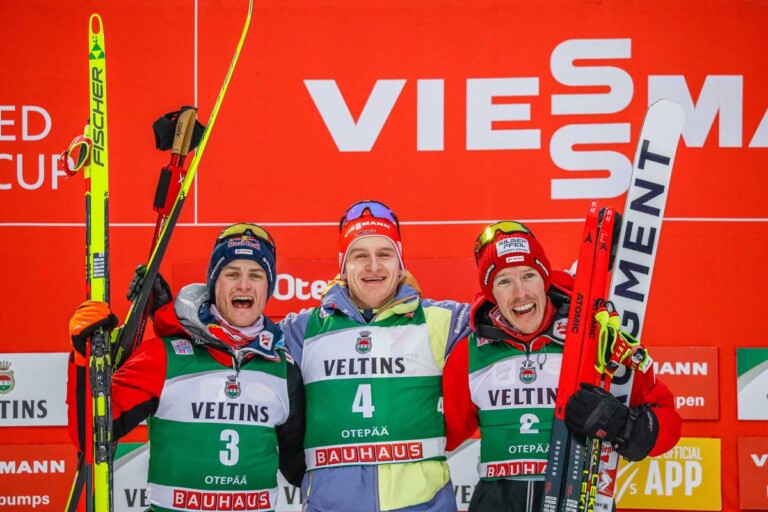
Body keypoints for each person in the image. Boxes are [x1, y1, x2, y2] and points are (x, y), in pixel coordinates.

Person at [442, 220, 682, 512]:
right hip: (498, 502)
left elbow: (667, 421)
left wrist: (622, 425)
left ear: (544, 279)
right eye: (504, 281)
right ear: (491, 292)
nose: (520, 293)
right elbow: (441, 433)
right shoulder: (469, 352)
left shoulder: (594, 337)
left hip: (577, 497)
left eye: (529, 275)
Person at [66, 223, 305, 511]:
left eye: (256, 275)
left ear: (268, 287)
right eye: (231, 274)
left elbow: (303, 469)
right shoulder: (165, 356)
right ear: (214, 284)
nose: (244, 285)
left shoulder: (283, 368)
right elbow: (90, 437)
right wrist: (83, 357)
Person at [280, 200, 472, 512]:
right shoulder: (303, 329)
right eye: (360, 255)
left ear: (400, 264)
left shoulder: (442, 321)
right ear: (343, 266)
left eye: (384, 254)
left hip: (426, 506)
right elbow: (236, 333)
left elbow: (509, 316)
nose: (373, 266)